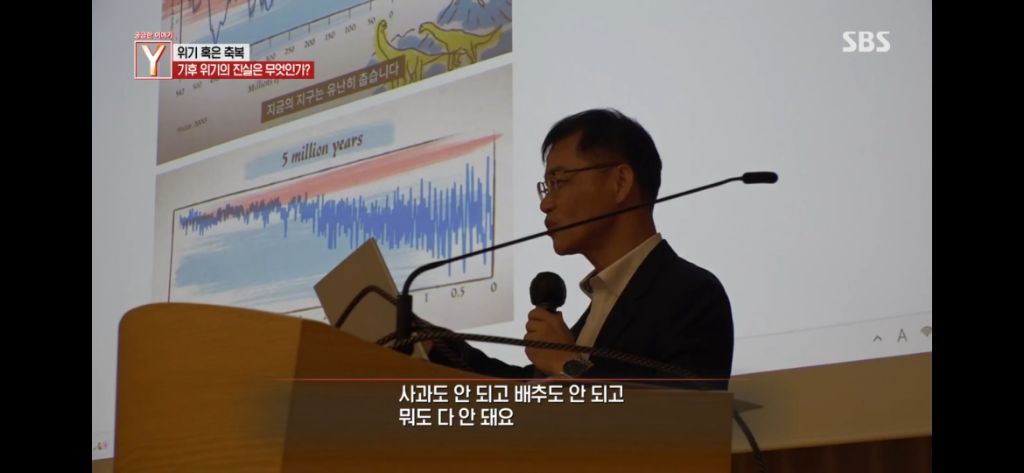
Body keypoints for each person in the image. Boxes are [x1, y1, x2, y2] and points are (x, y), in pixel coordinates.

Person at [428, 108, 734, 390]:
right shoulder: (598, 308)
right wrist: (431, 343)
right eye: (546, 187)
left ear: (620, 182)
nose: (546, 203)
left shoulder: (692, 295)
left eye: (559, 182)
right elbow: (522, 390)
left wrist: (567, 365)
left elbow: (683, 416)